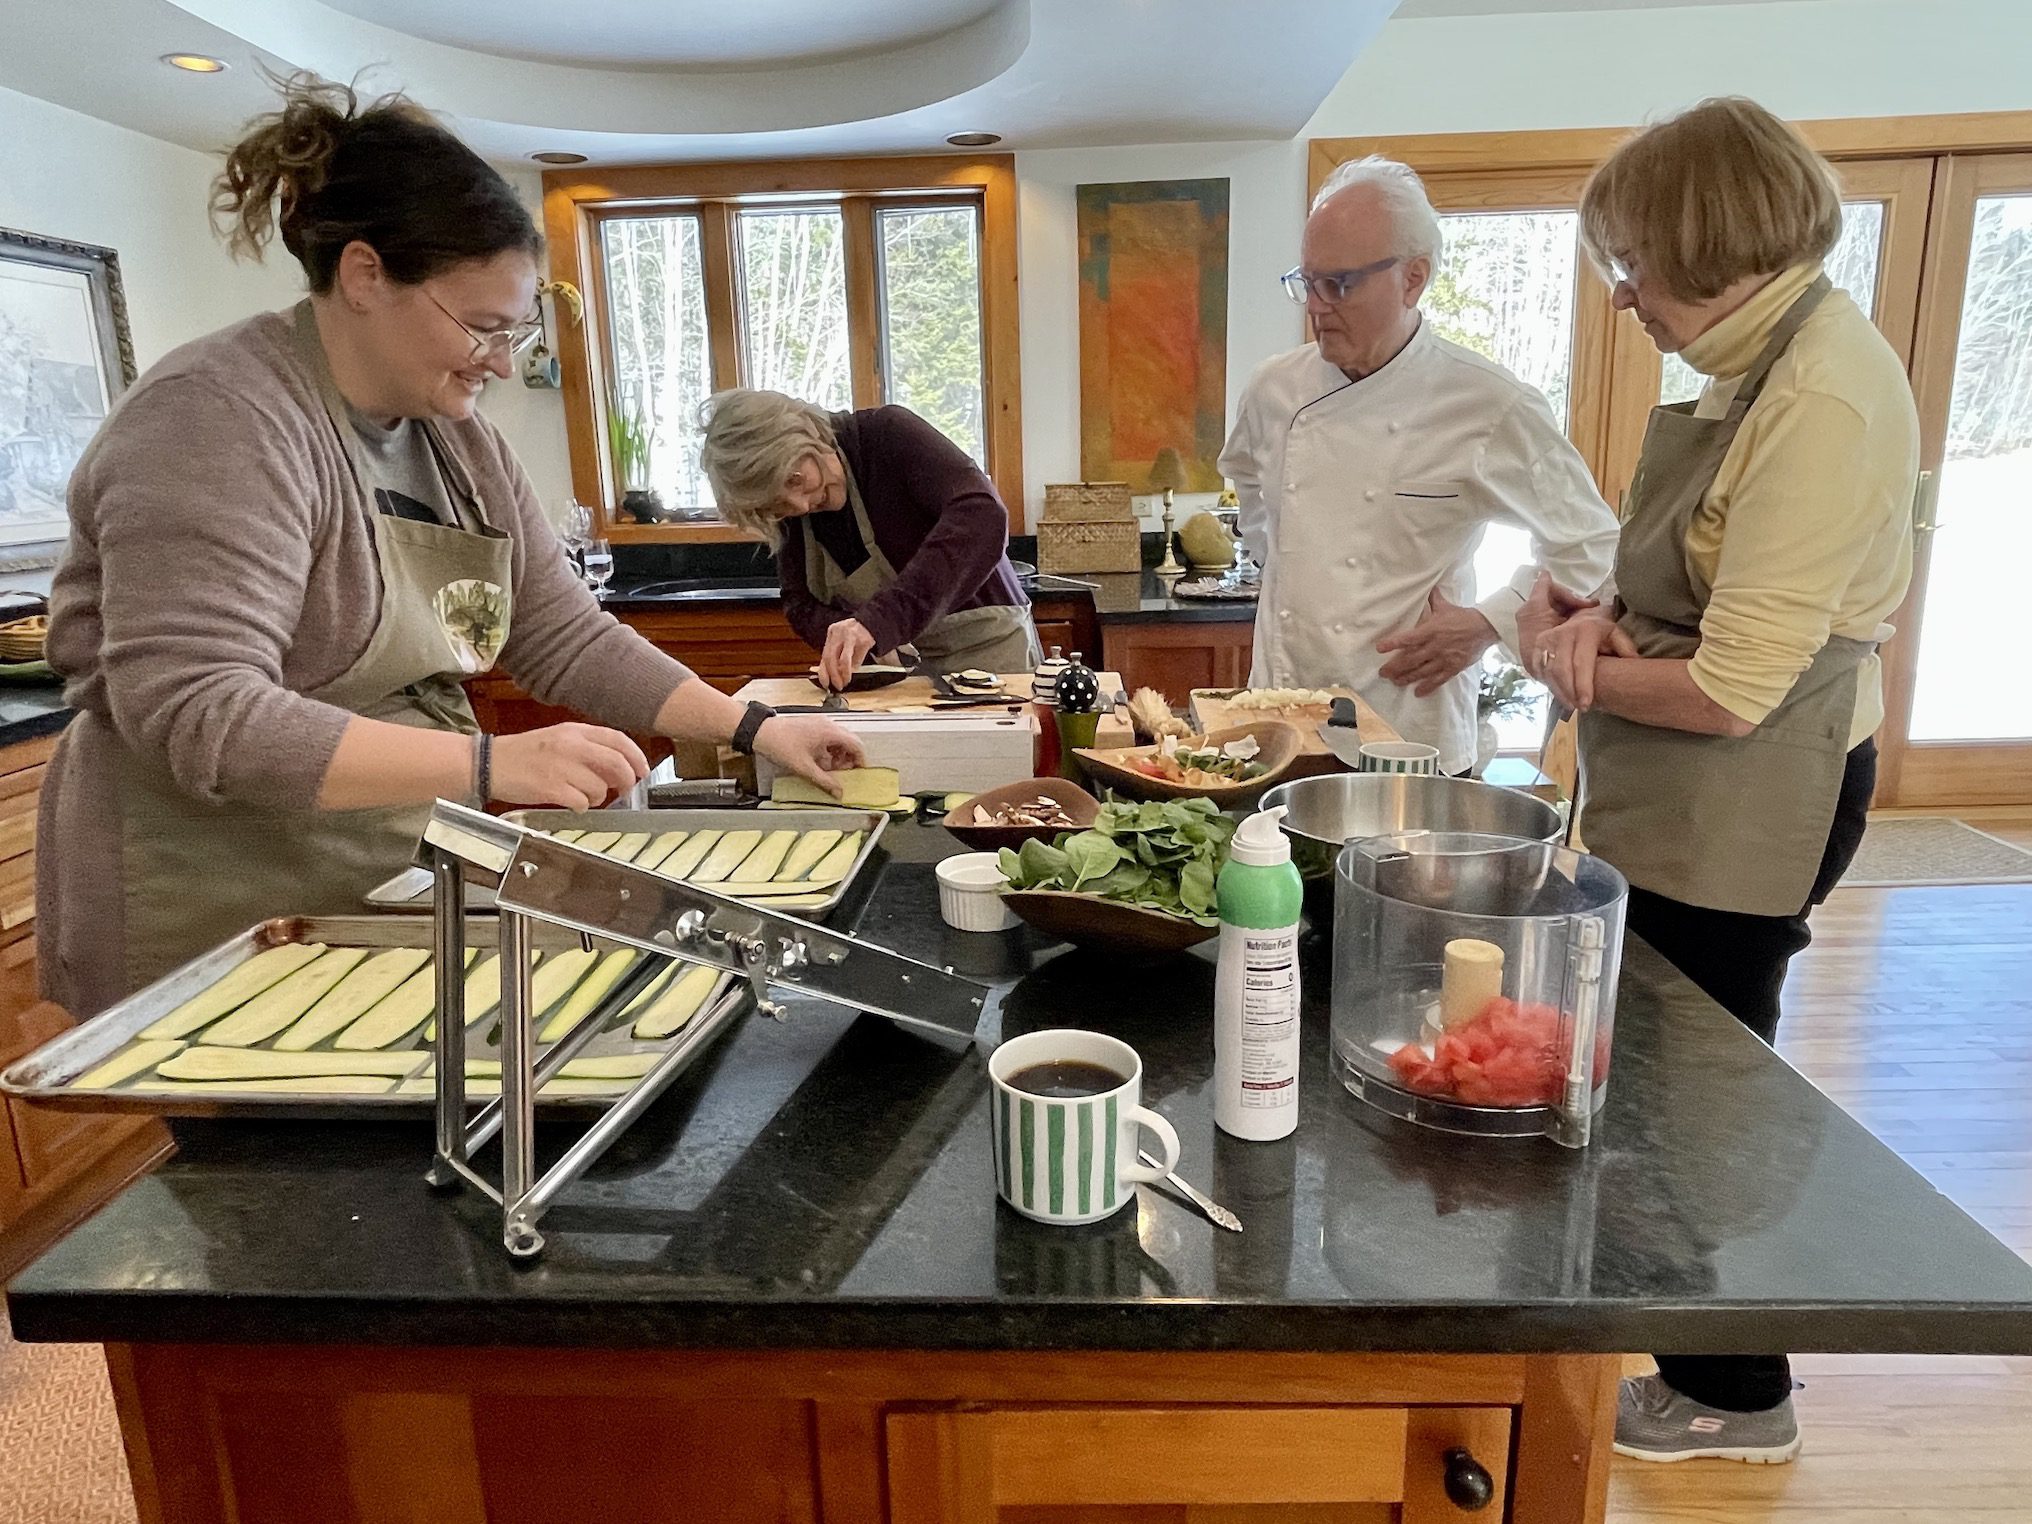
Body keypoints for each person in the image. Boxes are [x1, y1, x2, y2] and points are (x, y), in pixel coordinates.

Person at [37, 77, 862, 1018]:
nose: (502, 362)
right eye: (481, 325)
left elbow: (562, 633)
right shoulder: (218, 419)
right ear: (364, 276)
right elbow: (198, 712)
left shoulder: (456, 439)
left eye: (516, 331)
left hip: (378, 865)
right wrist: (489, 768)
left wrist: (752, 727)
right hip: (220, 894)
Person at [1518, 97, 1919, 1465]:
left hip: (1758, 791)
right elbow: (1725, 603)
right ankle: (1697, 1355)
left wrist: (1571, 665)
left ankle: (1737, 1394)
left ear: (1710, 241)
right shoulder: (1761, 364)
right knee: (1658, 1080)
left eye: (1634, 263)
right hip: (1694, 789)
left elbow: (1737, 689)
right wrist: (1606, 617)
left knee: (1694, 1096)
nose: (1624, 296)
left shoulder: (1822, 394)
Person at [1219, 157, 1618, 773]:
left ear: (1413, 279)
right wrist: (1280, 560)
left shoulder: (1486, 402)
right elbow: (1245, 476)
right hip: (1283, 715)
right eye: (1308, 282)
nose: (1317, 307)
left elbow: (1591, 543)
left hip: (1410, 724)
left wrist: (1488, 621)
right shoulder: (1275, 389)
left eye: (1341, 285)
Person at [699, 390, 1039, 691]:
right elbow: (799, 604)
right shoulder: (794, 511)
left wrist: (879, 621)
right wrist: (852, 637)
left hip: (991, 656)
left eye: (796, 480)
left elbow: (983, 515)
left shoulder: (888, 436)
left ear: (803, 435)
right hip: (903, 683)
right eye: (779, 503)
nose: (801, 505)